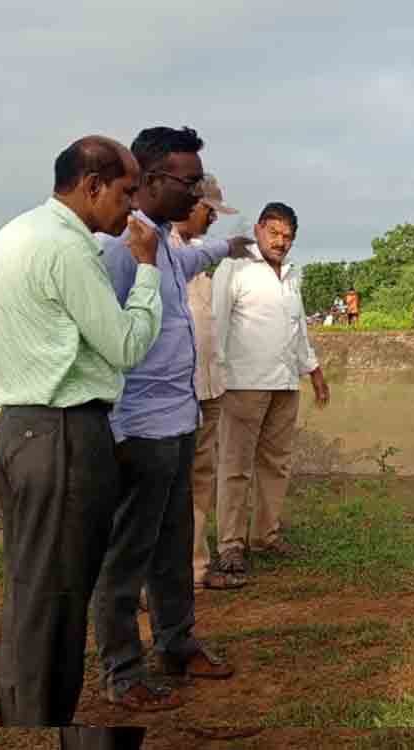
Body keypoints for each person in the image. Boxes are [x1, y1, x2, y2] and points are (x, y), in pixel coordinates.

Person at [0, 135, 159, 748]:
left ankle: (26, 717)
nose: (131, 210)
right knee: (56, 599)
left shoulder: (12, 236)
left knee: (32, 591)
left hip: (20, 429)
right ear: (92, 184)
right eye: (126, 192)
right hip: (64, 435)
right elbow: (127, 345)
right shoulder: (68, 249)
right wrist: (149, 270)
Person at [95, 127, 253, 713]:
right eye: (189, 183)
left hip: (177, 419)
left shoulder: (158, 241)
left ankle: (177, 643)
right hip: (137, 427)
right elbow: (101, 337)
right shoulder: (117, 247)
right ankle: (121, 668)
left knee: (174, 541)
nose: (197, 196)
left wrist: (226, 245)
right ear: (152, 179)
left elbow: (189, 260)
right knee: (127, 551)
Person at [213, 202, 331, 582]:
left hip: (284, 383)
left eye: (288, 237)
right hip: (243, 383)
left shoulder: (292, 275)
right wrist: (214, 376)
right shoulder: (236, 267)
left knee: (277, 463)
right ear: (260, 228)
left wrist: (312, 369)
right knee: (235, 467)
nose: (281, 242)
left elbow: (297, 330)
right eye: (275, 233)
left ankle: (265, 535)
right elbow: (217, 324)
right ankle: (231, 544)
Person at [169, 173, 247, 591]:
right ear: (188, 201)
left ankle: (195, 569)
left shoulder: (197, 255)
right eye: (209, 210)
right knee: (165, 486)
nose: (213, 219)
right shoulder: (155, 247)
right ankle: (158, 578)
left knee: (201, 479)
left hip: (207, 384)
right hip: (174, 390)